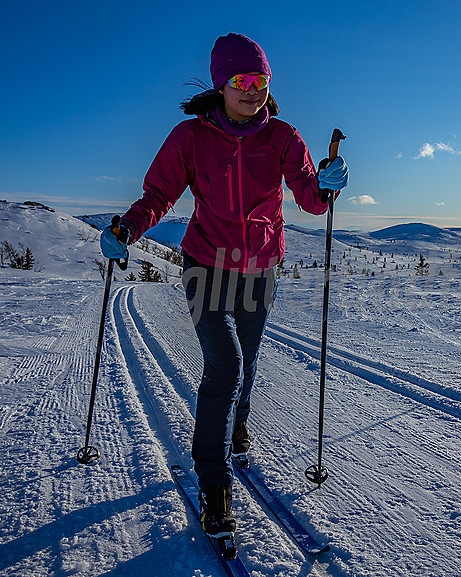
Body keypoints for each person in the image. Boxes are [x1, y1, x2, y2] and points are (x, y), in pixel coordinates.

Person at [100, 33, 348, 539]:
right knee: (226, 366)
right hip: (207, 263)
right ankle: (213, 480)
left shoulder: (282, 137)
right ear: (221, 84)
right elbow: (158, 193)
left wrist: (326, 184)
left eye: (260, 80)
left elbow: (310, 199)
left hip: (260, 266)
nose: (252, 90)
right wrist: (127, 227)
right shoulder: (190, 137)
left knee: (249, 361)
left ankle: (237, 428)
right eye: (242, 80)